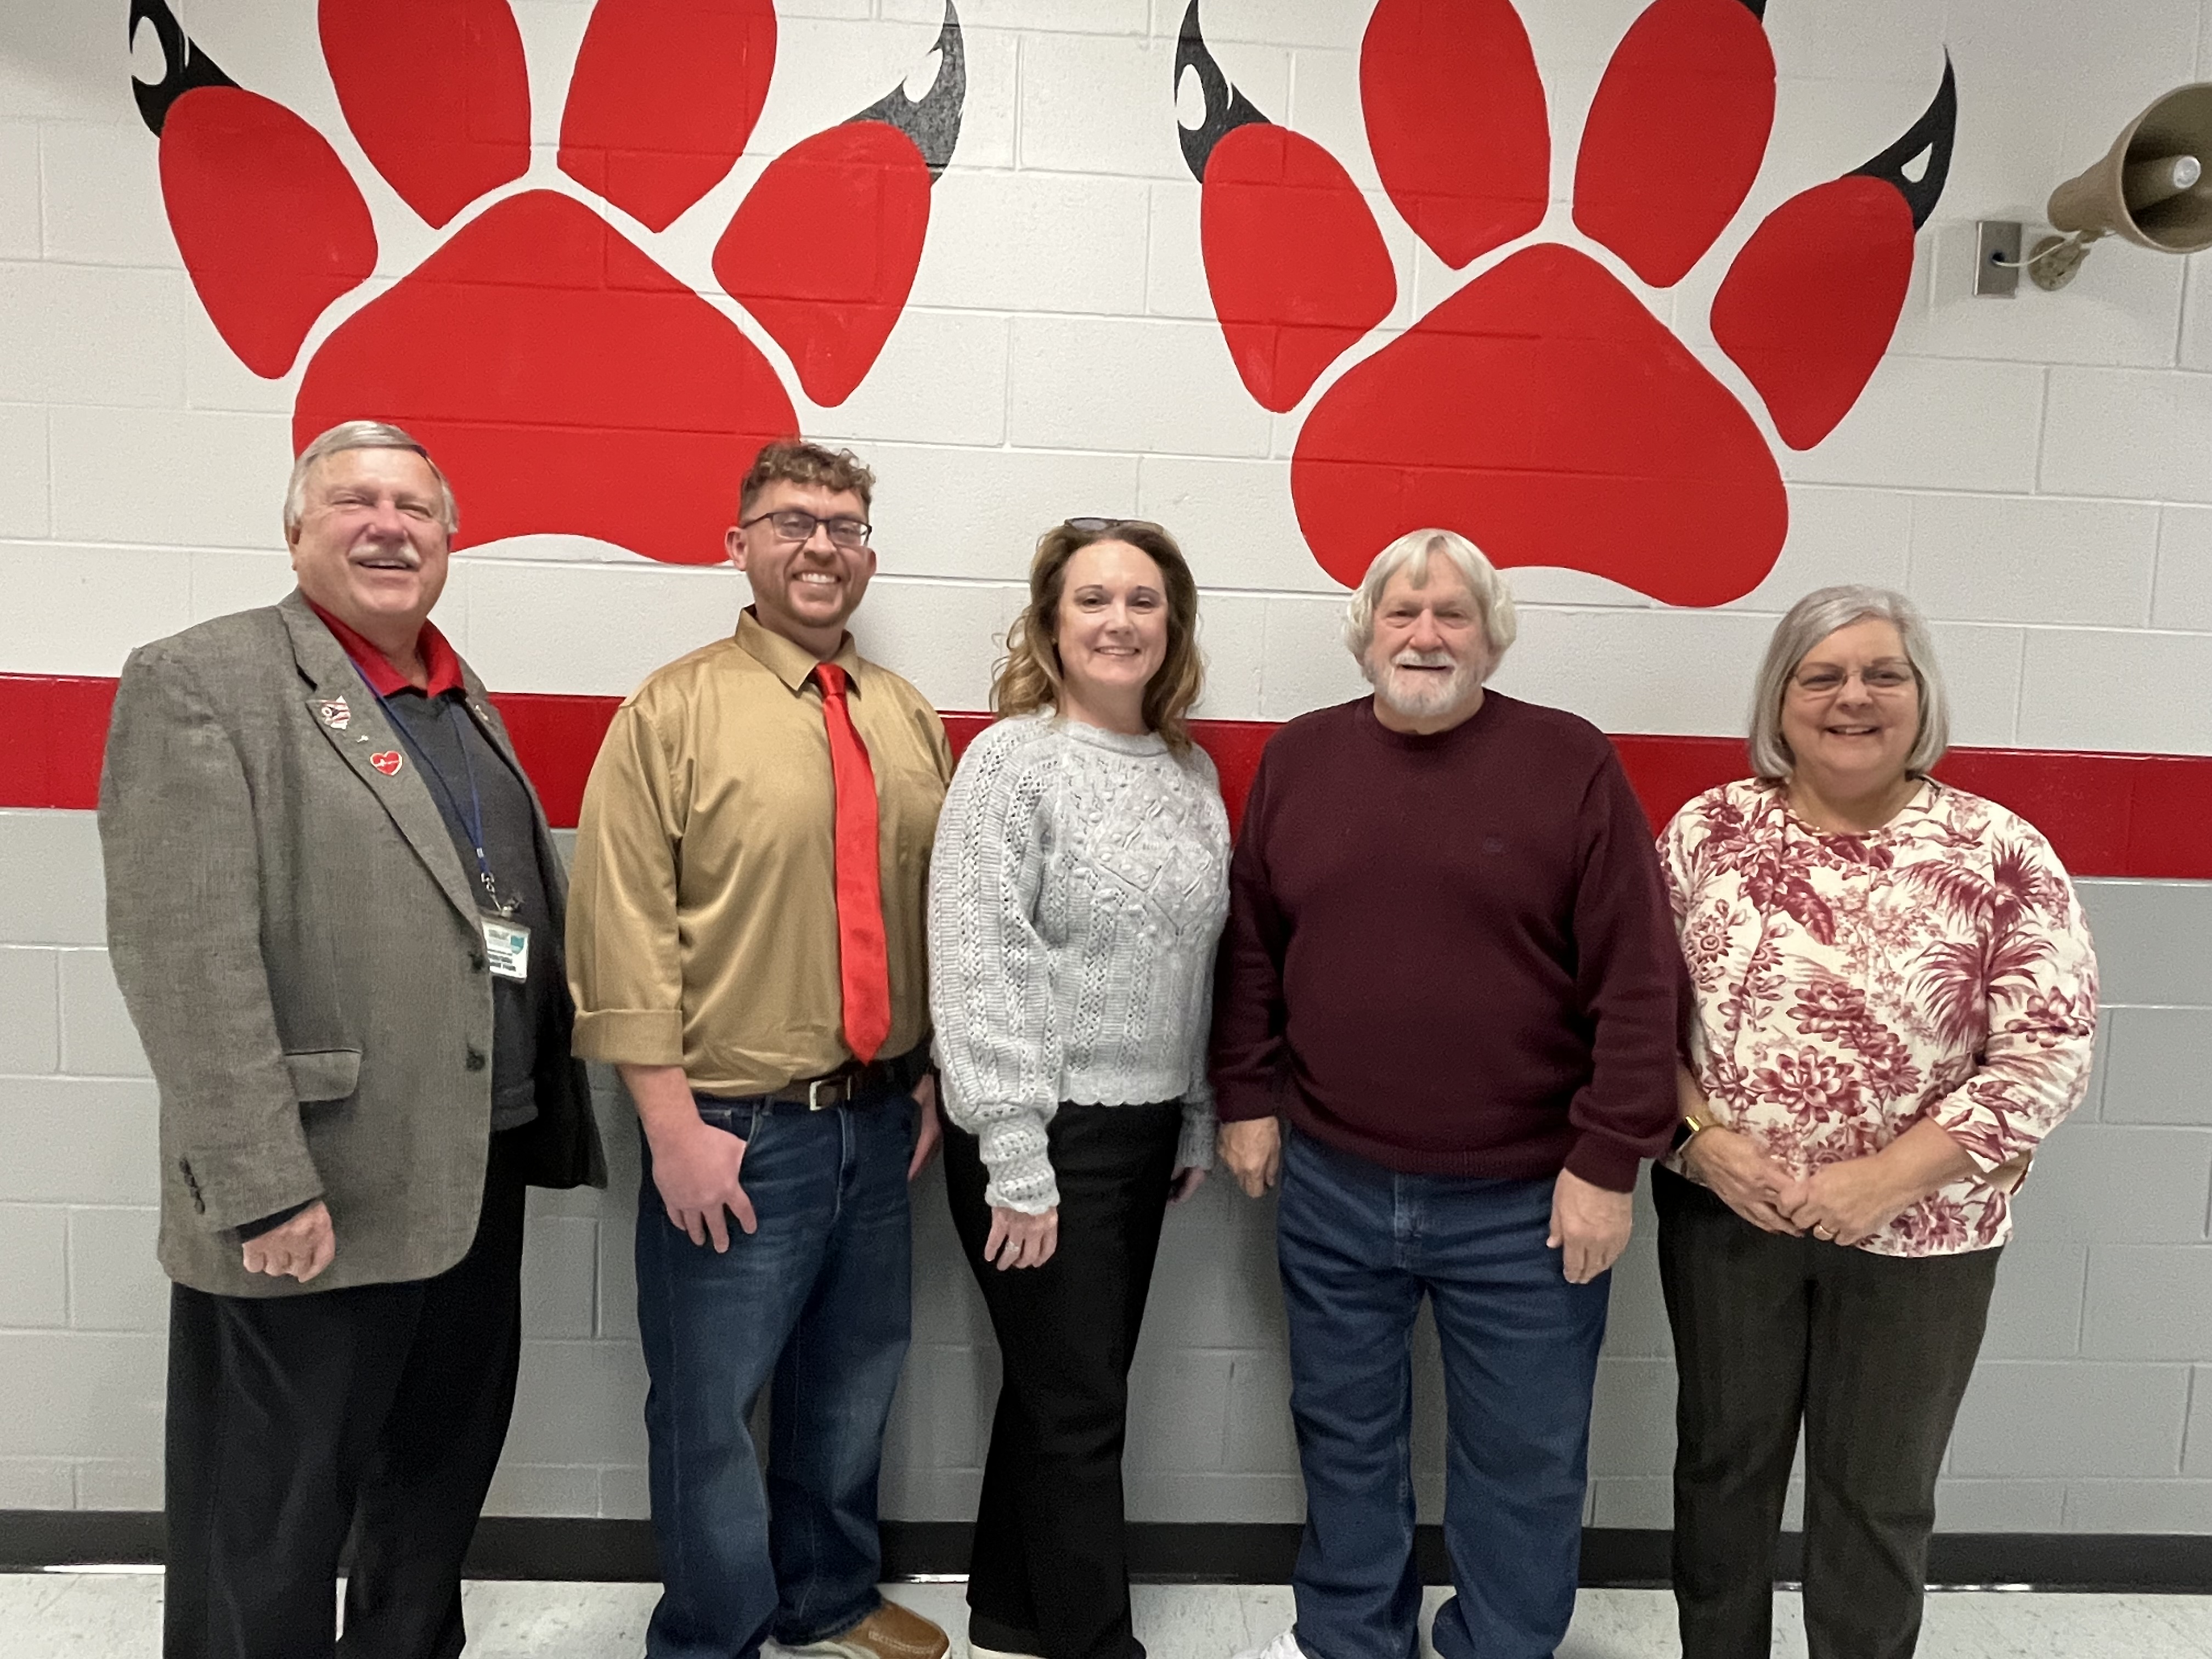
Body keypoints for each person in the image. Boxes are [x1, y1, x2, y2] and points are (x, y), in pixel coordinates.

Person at [98, 420, 607, 1659]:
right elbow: (186, 958)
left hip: (472, 1171)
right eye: (354, 503)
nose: (389, 527)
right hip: (316, 1189)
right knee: (270, 1521)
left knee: (433, 1486)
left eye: (414, 508)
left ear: (449, 540)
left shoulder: (456, 694)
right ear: (296, 531)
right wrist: (262, 1187)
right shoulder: (204, 681)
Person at [1211, 528, 1681, 1659]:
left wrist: (1609, 1160)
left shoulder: (1570, 762)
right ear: (1365, 633)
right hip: (1331, 1179)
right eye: (1402, 612)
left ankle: (1500, 1644)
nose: (1425, 635)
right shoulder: (1300, 759)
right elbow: (1253, 949)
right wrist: (1244, 1097)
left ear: (1492, 638)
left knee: (1524, 1456)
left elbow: (1639, 978)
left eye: (1453, 614)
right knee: (1344, 1438)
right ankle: (1349, 1637)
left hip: (1528, 1199)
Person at [1657, 586, 2097, 1659]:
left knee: (1878, 1496)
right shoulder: (1709, 832)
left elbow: (2048, 1050)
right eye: (1822, 676)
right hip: (1729, 1217)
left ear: (1921, 696)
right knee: (1721, 1473)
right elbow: (1632, 1019)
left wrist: (1884, 1180)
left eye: (1882, 674)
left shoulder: (1998, 850)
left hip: (1923, 1237)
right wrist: (1701, 1145)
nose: (1852, 697)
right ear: (1781, 698)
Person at [566, 439, 952, 1659]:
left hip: (878, 1122)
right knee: (711, 1411)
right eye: (792, 522)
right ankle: (713, 1636)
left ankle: (828, 1599)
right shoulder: (670, 711)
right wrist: (671, 1128)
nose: (821, 545)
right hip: (730, 1128)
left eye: (844, 525)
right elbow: (621, 929)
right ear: (738, 545)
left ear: (868, 554)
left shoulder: (903, 716)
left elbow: (933, 912)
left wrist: (927, 1073)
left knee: (853, 1384)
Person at [929, 518, 1231, 1659]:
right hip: (1040, 1129)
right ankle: (1097, 1644)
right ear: (1051, 624)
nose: (1119, 622)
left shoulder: (1190, 773)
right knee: (1081, 1409)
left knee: (1064, 1389)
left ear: (1173, 625)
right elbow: (978, 958)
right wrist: (1014, 1151)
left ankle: (1013, 1611)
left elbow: (1195, 961)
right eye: (1093, 600)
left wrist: (1193, 1111)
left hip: (1143, 1131)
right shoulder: (1010, 762)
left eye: (1143, 601)